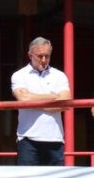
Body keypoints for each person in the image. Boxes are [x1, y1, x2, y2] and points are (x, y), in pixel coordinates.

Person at [11, 37, 71, 166]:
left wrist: (33, 102)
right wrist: (52, 97)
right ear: (30, 55)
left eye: (47, 56)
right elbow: (23, 99)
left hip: (55, 139)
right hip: (28, 139)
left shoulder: (59, 75)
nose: (44, 60)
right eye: (40, 56)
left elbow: (65, 102)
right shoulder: (19, 75)